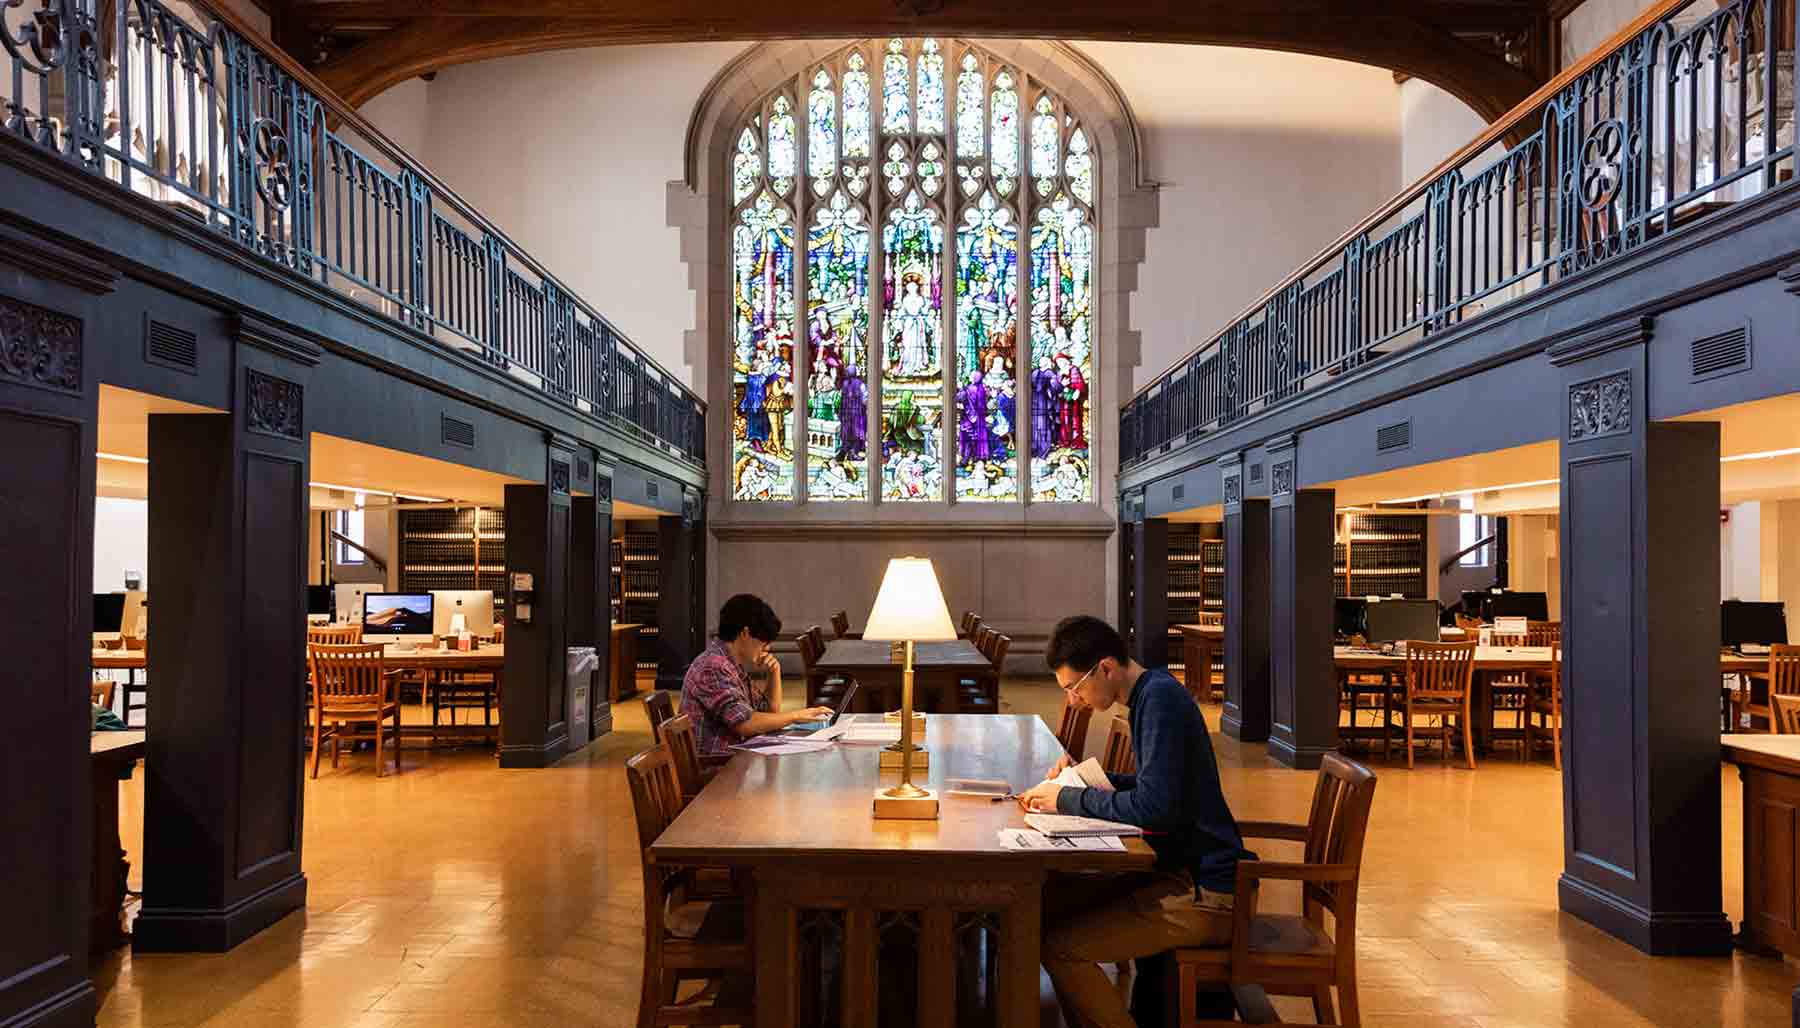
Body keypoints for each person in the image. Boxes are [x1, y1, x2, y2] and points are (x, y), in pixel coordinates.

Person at [1017, 615, 1254, 1028]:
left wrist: (1069, 798)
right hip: (1182, 871)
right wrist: (1094, 780)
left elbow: (1154, 809)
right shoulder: (1152, 694)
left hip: (1206, 890)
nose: (1074, 701)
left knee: (1061, 948)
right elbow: (1158, 787)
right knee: (1048, 909)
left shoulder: (1159, 701)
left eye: (1075, 688)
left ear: (1106, 668)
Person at [679, 594, 833, 759]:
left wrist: (774, 672)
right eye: (765, 641)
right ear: (745, 633)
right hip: (717, 766)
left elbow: (768, 712)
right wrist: (796, 716)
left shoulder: (730, 663)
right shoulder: (713, 667)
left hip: (735, 757)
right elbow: (745, 724)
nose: (767, 648)